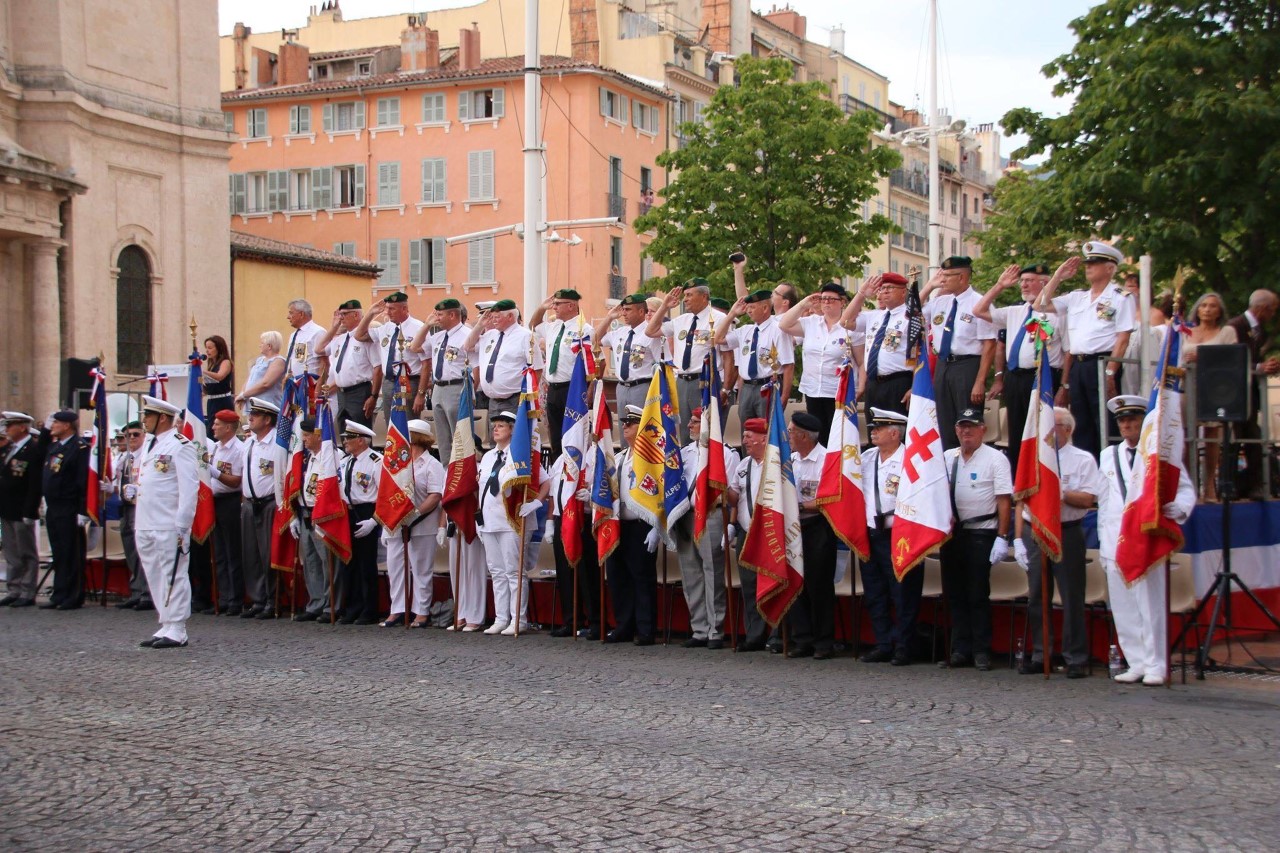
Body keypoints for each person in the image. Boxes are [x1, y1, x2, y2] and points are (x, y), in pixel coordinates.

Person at [1098, 395, 1196, 685]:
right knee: (1123, 606)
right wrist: (1105, 544)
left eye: (1133, 420)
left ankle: (1157, 663)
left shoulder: (1156, 456)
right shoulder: (1107, 455)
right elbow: (1104, 500)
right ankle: (1136, 661)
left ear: (1144, 422)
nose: (1127, 425)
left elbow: (1186, 490)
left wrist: (1177, 509)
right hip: (1114, 540)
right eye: (1122, 420)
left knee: (1150, 605)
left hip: (1144, 540)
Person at [1014, 407, 1102, 679]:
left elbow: (1090, 499)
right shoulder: (1034, 455)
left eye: (1053, 425)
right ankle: (1042, 653)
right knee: (1037, 595)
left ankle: (1075, 656)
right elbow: (1021, 498)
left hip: (1067, 529)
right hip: (1035, 529)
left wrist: (1059, 492)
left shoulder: (1082, 460)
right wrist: (1018, 537)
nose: (1048, 431)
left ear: (1067, 429)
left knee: (1071, 594)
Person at [1035, 244, 1136, 457]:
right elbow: (1039, 305)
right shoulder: (1077, 297)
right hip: (1078, 365)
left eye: (1094, 263)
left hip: (1102, 363)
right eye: (1087, 263)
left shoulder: (1120, 296)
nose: (1088, 267)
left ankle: (1109, 469)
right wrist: (1057, 277)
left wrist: (1111, 371)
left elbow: (1123, 337)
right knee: (1081, 423)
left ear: (1110, 268)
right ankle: (1088, 471)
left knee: (1104, 423)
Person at [973, 263, 1065, 477]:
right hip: (1016, 378)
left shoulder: (1058, 312)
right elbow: (979, 310)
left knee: (1041, 430)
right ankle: (1018, 478)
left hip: (1043, 376)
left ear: (1044, 282)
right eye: (1022, 281)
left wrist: (1065, 385)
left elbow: (1067, 351)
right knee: (1017, 430)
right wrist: (999, 285)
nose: (1023, 285)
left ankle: (1042, 477)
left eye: (1029, 280)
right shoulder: (1016, 311)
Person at [940, 407, 1013, 671]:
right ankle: (960, 648)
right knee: (955, 592)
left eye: (971, 426)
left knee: (977, 593)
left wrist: (1003, 536)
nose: (966, 431)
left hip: (982, 531)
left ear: (983, 429)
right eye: (962, 427)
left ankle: (982, 650)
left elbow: (1004, 500)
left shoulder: (996, 459)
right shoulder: (949, 457)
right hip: (953, 533)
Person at [857, 408, 923, 666]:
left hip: (901, 535)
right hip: (871, 532)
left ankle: (905, 645)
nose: (873, 431)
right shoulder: (867, 458)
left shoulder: (911, 459)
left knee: (903, 592)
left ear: (895, 433)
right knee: (875, 591)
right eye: (873, 427)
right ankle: (883, 642)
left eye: (879, 428)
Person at [134, 395, 199, 649]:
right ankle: (166, 620)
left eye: (147, 416)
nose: (144, 421)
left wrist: (183, 523)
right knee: (155, 574)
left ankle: (178, 627)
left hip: (168, 521)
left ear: (162, 418)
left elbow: (189, 488)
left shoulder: (180, 445)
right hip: (146, 520)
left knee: (174, 573)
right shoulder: (150, 444)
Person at [476, 411, 548, 635]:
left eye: (501, 426)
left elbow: (545, 482)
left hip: (512, 521)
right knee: (496, 571)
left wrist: (536, 503)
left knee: (513, 572)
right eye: (494, 426)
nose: (495, 429)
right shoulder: (488, 457)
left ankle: (519, 619)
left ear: (512, 430)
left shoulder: (521, 455)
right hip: (489, 521)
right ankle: (500, 617)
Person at [673, 407, 739, 650]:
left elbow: (731, 492)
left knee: (712, 574)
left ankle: (715, 629)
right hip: (687, 517)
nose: (689, 426)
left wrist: (730, 524)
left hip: (711, 515)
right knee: (691, 575)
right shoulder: (686, 453)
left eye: (695, 422)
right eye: (690, 421)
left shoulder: (725, 455)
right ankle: (698, 628)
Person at [920, 257, 997, 451]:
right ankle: (949, 465)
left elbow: (989, 345)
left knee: (968, 421)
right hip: (943, 364)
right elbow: (911, 312)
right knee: (944, 421)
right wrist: (929, 286)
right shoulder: (941, 302)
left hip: (967, 366)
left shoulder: (979, 302)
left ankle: (970, 465)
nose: (942, 280)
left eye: (946, 276)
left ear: (962, 277)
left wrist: (980, 381)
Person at [645, 280, 729, 446]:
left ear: (704, 296)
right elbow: (650, 331)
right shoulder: (681, 320)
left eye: (690, 295)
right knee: (684, 432)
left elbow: (728, 357)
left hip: (705, 381)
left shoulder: (719, 319)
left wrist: (726, 387)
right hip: (682, 381)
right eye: (685, 295)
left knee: (706, 431)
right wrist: (664, 307)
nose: (685, 299)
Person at [380, 419, 445, 628]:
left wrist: (416, 513)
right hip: (396, 524)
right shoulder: (396, 462)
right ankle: (397, 609)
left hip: (422, 523)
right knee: (395, 567)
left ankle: (421, 611)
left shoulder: (431, 464)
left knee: (421, 568)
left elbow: (435, 495)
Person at [780, 284, 862, 445]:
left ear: (842, 302)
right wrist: (804, 303)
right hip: (813, 389)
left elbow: (860, 361)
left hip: (838, 391)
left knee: (837, 437)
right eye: (823, 299)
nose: (826, 302)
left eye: (831, 299)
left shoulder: (851, 326)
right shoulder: (811, 323)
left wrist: (860, 387)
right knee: (817, 436)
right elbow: (784, 324)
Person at [786, 410, 838, 659]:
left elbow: (829, 499)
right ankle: (802, 638)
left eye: (791, 431)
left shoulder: (826, 460)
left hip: (818, 526)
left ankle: (823, 641)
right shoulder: (791, 460)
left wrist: (800, 506)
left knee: (819, 585)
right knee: (796, 582)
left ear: (804, 436)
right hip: (793, 527)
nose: (788, 435)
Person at [609, 405, 662, 645]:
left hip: (642, 524)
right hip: (620, 524)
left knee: (641, 577)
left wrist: (657, 527)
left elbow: (660, 493)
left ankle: (646, 628)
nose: (625, 427)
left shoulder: (650, 458)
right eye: (624, 423)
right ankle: (624, 625)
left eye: (630, 423)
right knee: (619, 576)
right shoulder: (620, 458)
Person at [1183, 291, 1238, 501]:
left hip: (1215, 388)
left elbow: (1232, 358)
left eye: (1212, 306)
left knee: (1212, 437)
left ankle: (1209, 486)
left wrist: (1203, 356)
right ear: (1197, 308)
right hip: (1187, 385)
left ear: (1220, 311)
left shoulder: (1226, 332)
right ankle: (1190, 487)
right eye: (1204, 305)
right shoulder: (1186, 330)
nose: (1207, 309)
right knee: (1188, 438)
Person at [1226, 289, 1280, 499]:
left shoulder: (1259, 331)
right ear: (1262, 308)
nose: (1273, 315)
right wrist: (1259, 367)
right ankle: (1232, 484)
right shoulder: (1235, 326)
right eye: (1272, 310)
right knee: (1235, 440)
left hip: (1249, 394)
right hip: (1232, 395)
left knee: (1253, 440)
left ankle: (1251, 485)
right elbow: (1230, 359)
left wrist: (1267, 367)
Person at [547, 443, 602, 640]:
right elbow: (554, 493)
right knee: (565, 572)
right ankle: (571, 620)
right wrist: (550, 522)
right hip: (562, 517)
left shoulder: (594, 457)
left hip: (584, 517)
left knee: (588, 573)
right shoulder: (561, 460)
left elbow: (603, 486)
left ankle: (596, 621)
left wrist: (591, 497)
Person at [713, 290, 794, 424]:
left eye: (752, 307)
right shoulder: (746, 330)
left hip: (768, 386)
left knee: (766, 431)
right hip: (747, 388)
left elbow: (788, 365)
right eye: (748, 307)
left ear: (765, 308)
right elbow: (718, 339)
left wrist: (784, 396)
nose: (748, 311)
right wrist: (731, 314)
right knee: (747, 434)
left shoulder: (778, 330)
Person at [841, 273, 914, 417]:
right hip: (874, 382)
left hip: (898, 382)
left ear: (903, 292)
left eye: (890, 288)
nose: (885, 291)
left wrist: (915, 387)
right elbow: (845, 322)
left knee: (896, 430)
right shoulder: (874, 316)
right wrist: (861, 294)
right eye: (882, 288)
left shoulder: (911, 317)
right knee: (874, 431)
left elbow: (920, 354)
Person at [727, 417, 771, 651]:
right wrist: (723, 490)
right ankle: (754, 634)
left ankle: (776, 634)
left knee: (773, 582)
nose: (744, 440)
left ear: (763, 438)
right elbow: (734, 497)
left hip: (769, 532)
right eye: (744, 435)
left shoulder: (776, 462)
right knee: (749, 585)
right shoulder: (744, 464)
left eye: (749, 436)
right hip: (746, 531)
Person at [38, 410, 89, 610]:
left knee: (71, 552)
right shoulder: (54, 446)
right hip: (54, 506)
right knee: (58, 551)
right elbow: (40, 450)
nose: (52, 426)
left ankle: (73, 595)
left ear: (67, 425)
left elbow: (82, 480)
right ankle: (59, 593)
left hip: (70, 506)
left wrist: (82, 510)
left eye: (56, 422)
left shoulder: (79, 448)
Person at [532, 289, 591, 459]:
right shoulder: (554, 327)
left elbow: (589, 363)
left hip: (571, 388)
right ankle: (557, 471)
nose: (554, 307)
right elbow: (534, 324)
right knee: (555, 434)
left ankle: (574, 473)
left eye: (558, 304)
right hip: (553, 388)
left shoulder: (583, 329)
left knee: (573, 434)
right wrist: (542, 308)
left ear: (571, 305)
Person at [334, 421, 382, 624]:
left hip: (367, 511)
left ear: (361, 441)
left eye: (349, 438)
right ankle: (352, 606)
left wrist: (374, 520)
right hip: (348, 512)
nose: (345, 442)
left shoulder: (375, 461)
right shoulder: (345, 462)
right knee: (349, 562)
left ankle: (369, 609)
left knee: (366, 564)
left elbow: (383, 494)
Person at [412, 297, 473, 455]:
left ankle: (460, 473)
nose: (436, 318)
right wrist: (426, 325)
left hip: (457, 386)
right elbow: (415, 346)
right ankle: (446, 471)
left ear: (452, 315)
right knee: (442, 437)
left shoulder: (467, 334)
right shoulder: (438, 336)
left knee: (458, 435)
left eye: (439, 315)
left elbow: (476, 366)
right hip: (438, 388)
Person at [355, 292, 427, 421]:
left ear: (404, 309)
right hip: (389, 381)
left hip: (410, 381)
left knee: (408, 424)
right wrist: (371, 313)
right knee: (391, 424)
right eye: (387, 308)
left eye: (392, 308)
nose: (388, 312)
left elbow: (426, 364)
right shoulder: (386, 328)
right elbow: (359, 336)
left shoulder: (418, 328)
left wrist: (421, 394)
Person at [239, 397, 279, 620]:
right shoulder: (250, 443)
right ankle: (258, 598)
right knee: (251, 554)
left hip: (269, 503)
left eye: (255, 415)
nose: (250, 418)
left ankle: (272, 600)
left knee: (267, 554)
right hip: (249, 503)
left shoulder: (276, 443)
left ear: (267, 419)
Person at [466, 299, 542, 415]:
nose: (493, 320)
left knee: (513, 432)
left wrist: (528, 398)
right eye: (492, 317)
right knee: (495, 432)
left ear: (510, 316)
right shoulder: (490, 335)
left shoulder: (525, 336)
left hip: (515, 400)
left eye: (497, 317)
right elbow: (467, 346)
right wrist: (480, 325)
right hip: (492, 401)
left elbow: (537, 368)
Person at [289, 418, 331, 622]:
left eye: (306, 435)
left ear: (318, 435)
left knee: (326, 561)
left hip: (321, 515)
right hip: (305, 514)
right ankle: (315, 603)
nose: (303, 440)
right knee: (311, 562)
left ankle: (330, 604)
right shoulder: (308, 458)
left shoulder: (330, 456)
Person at [594, 294, 663, 417]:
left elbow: (661, 364)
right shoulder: (620, 332)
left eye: (628, 309)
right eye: (623, 309)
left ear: (641, 311)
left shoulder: (651, 333)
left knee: (642, 429)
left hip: (642, 387)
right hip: (621, 387)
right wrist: (609, 317)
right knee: (624, 431)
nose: (624, 313)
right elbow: (596, 340)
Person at [0, 411, 42, 607]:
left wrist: (30, 510)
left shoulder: (32, 450)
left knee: (26, 552)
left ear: (23, 427)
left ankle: (27, 590)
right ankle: (14, 588)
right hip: (7, 507)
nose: (6, 429)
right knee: (11, 552)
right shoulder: (9, 448)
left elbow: (34, 484)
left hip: (22, 508)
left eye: (11, 425)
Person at [110, 421, 152, 611]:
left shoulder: (147, 456)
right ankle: (135, 591)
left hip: (142, 507)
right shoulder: (124, 458)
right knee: (130, 551)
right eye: (128, 435)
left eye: (136, 434)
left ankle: (146, 593)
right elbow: (117, 481)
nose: (132, 438)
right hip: (125, 507)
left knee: (142, 550)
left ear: (144, 435)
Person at [318, 300, 379, 431]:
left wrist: (373, 396)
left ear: (356, 315)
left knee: (360, 433)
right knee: (344, 433)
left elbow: (377, 368)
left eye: (344, 314)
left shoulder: (366, 337)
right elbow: (318, 349)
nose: (341, 318)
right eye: (340, 314)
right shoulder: (340, 339)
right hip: (341, 392)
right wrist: (334, 327)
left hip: (359, 391)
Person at [208, 410, 244, 615]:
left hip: (230, 501)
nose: (213, 427)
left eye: (217, 424)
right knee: (219, 553)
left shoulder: (238, 449)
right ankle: (222, 596)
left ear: (229, 427)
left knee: (232, 552)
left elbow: (236, 480)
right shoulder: (215, 448)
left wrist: (216, 473)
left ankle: (235, 599)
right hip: (215, 501)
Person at [282, 299, 330, 414]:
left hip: (309, 386)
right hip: (294, 386)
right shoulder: (294, 334)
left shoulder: (317, 332)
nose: (288, 317)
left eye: (291, 313)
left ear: (301, 314)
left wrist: (318, 388)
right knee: (295, 423)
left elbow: (324, 362)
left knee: (307, 420)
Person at [236, 331, 287, 412]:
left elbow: (266, 384)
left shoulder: (278, 361)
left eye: (262, 343)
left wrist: (244, 395)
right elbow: (249, 379)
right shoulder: (260, 360)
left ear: (269, 346)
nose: (260, 345)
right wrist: (242, 393)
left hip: (266, 405)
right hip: (253, 404)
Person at [202, 335, 235, 429]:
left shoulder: (225, 362)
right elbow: (209, 387)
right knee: (211, 428)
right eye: (206, 348)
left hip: (222, 401)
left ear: (219, 348)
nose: (207, 351)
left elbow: (220, 376)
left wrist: (202, 372)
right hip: (212, 401)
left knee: (221, 428)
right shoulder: (211, 364)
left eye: (210, 348)